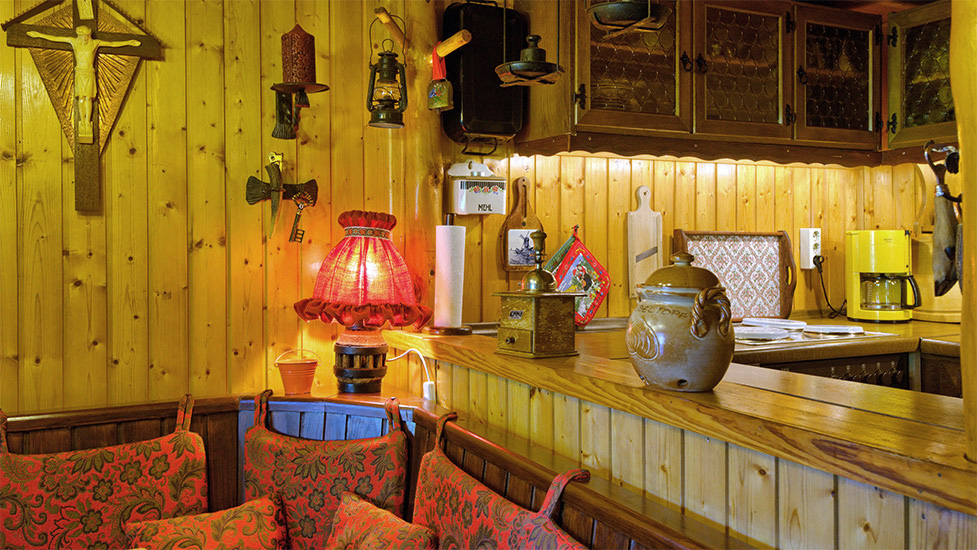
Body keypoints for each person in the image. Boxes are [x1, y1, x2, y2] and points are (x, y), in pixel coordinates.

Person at [27, 25, 140, 143]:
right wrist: (39, 35)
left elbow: (112, 44)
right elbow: (56, 38)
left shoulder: (94, 43)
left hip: (89, 72)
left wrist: (129, 42)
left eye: (87, 36)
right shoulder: (74, 42)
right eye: (83, 36)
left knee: (89, 98)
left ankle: (87, 122)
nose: (85, 39)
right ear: (78, 36)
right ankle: (82, 122)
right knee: (81, 97)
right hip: (80, 73)